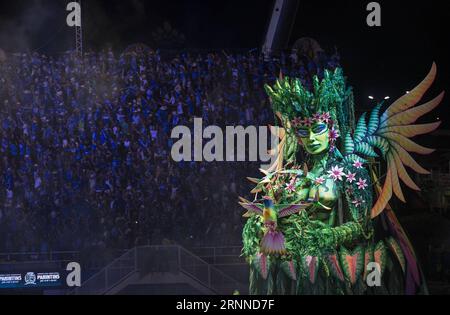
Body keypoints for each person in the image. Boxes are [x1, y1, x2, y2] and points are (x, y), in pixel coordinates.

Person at [241, 64, 443, 295]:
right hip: (295, 261)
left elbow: (362, 225)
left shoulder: (350, 170)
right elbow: (271, 208)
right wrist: (264, 224)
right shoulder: (291, 174)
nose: (312, 138)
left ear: (331, 128)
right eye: (303, 132)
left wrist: (327, 236)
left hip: (332, 262)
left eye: (317, 128)